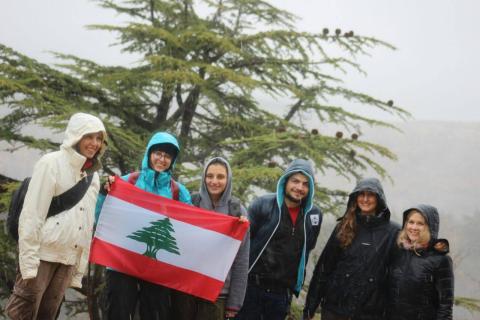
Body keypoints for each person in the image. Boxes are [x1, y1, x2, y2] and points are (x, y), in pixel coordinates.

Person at [5, 112, 107, 320]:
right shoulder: (50, 163)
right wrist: (29, 263)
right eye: (89, 136)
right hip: (41, 256)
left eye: (99, 138)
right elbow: (32, 216)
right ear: (76, 136)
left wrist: (79, 268)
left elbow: (87, 225)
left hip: (68, 260)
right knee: (22, 315)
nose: (94, 143)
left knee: (48, 316)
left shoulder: (93, 176)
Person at [96, 131, 192, 320]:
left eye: (167, 156)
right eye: (158, 153)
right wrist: (102, 194)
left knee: (155, 315)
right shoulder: (126, 182)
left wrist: (232, 227)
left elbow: (188, 230)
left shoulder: (178, 192)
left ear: (172, 160)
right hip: (121, 264)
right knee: (118, 314)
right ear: (149, 153)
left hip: (158, 268)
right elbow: (101, 219)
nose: (162, 159)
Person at [303, 177, 400, 320]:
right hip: (335, 308)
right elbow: (324, 268)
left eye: (370, 195)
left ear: (379, 198)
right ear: (355, 198)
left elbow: (397, 277)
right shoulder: (344, 226)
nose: (365, 199)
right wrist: (310, 306)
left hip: (371, 312)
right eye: (361, 194)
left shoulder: (393, 232)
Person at [237, 158, 322, 320]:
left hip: (281, 294)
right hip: (251, 288)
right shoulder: (262, 204)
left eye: (305, 184)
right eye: (295, 181)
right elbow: (243, 244)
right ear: (285, 181)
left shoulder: (314, 215)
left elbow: (307, 248)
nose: (299, 187)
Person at [171, 157, 250, 320]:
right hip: (185, 290)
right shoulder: (191, 203)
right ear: (204, 177)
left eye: (220, 177)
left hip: (217, 295)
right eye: (210, 176)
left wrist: (234, 303)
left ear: (228, 180)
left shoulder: (237, 212)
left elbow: (241, 260)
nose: (214, 181)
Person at [387, 204, 454, 320]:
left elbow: (445, 306)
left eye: (420, 223)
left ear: (430, 227)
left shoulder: (441, 260)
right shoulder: (399, 251)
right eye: (411, 222)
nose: (413, 227)